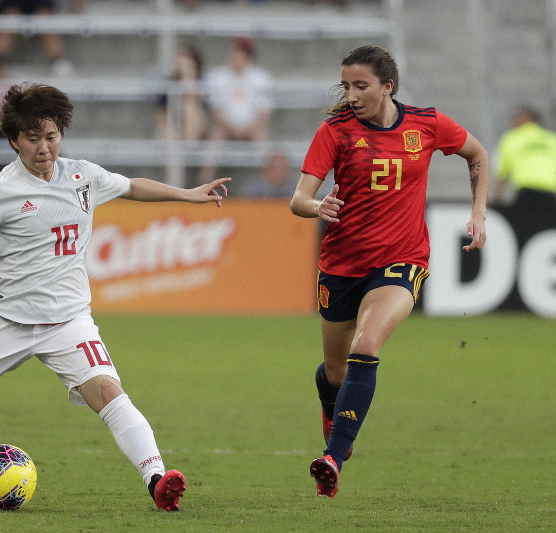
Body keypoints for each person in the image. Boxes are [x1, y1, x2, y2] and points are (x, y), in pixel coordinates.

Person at [0, 82, 230, 511]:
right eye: (34, 138)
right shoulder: (0, 189)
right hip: (5, 320)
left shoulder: (83, 176)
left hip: (67, 321)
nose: (44, 147)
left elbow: (132, 186)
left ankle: (156, 479)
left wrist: (187, 195)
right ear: (14, 141)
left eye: (52, 136)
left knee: (109, 393)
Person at [289, 45, 489, 499]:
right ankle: (331, 407)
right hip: (341, 265)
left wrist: (479, 212)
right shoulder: (335, 131)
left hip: (403, 259)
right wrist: (317, 206)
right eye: (346, 86)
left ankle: (333, 458)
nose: (351, 94)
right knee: (336, 373)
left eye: (360, 86)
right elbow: (298, 199)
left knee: (366, 345)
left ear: (387, 86)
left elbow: (477, 155)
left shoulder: (428, 123)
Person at [198, 37, 274, 182]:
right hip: (224, 128)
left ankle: (268, 186)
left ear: (248, 56)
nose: (234, 55)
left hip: (253, 129)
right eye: (234, 51)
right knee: (213, 142)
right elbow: (215, 112)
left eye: (239, 52)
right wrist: (230, 128)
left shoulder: (261, 77)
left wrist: (249, 128)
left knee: (263, 143)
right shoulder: (217, 76)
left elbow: (265, 114)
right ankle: (203, 186)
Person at [492, 105, 556, 208]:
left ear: (526, 118)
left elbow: (501, 175)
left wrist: (497, 202)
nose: (512, 121)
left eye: (516, 117)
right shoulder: (552, 139)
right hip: (551, 194)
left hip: (526, 193)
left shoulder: (510, 138)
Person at [154, 45, 208, 143]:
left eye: (186, 60)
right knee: (166, 130)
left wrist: (187, 77)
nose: (181, 62)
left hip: (195, 124)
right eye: (179, 59)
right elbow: (160, 114)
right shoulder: (168, 82)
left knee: (189, 108)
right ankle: (175, 156)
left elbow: (198, 105)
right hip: (172, 124)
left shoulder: (201, 81)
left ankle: (187, 151)